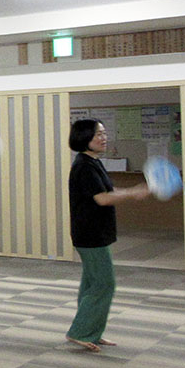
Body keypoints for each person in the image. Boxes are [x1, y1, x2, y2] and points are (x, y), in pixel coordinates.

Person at [66, 118, 150, 351]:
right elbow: (102, 198)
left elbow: (108, 191)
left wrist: (132, 191)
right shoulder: (84, 166)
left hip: (95, 232)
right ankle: (81, 331)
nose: (103, 138)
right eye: (98, 134)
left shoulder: (93, 162)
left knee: (91, 283)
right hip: (90, 234)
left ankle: (91, 331)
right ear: (84, 138)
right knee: (104, 284)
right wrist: (132, 193)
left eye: (104, 133)